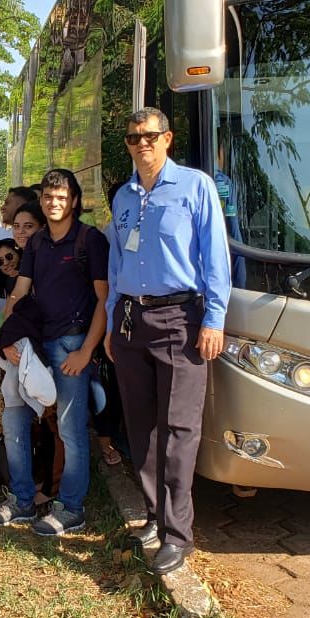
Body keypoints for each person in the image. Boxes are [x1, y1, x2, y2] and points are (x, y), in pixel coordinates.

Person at [106, 106, 232, 574]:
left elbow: (216, 257)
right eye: (134, 137)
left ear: (167, 139)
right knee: (142, 428)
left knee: (179, 431)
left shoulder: (195, 187)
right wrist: (111, 320)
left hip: (182, 319)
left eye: (150, 136)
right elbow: (116, 265)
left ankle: (179, 535)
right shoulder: (123, 197)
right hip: (131, 321)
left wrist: (214, 320)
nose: (142, 144)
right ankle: (155, 517)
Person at [0, 168, 110, 538]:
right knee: (13, 417)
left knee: (70, 429)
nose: (54, 203)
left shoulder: (90, 240)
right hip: (32, 345)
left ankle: (71, 509)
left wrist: (87, 351)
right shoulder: (37, 242)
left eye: (61, 197)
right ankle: (22, 500)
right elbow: (20, 291)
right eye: (47, 197)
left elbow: (105, 300)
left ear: (73, 200)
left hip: (72, 344)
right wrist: (6, 339)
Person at [0, 238, 21, 307]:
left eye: (9, 256)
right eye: (0, 262)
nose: (6, 263)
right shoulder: (1, 285)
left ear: (18, 254)